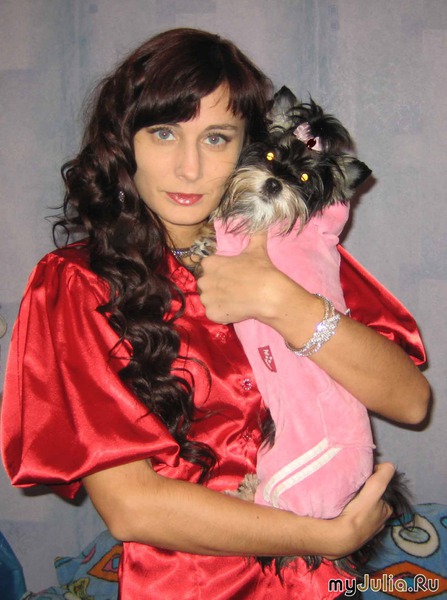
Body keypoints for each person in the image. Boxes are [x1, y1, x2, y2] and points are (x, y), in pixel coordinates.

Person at [1, 28, 429, 599]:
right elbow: (131, 507)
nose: (189, 168)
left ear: (248, 145)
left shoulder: (291, 248)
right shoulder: (76, 284)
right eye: (164, 133)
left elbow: (410, 401)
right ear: (124, 143)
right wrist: (321, 536)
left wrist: (282, 301)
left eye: (217, 138)